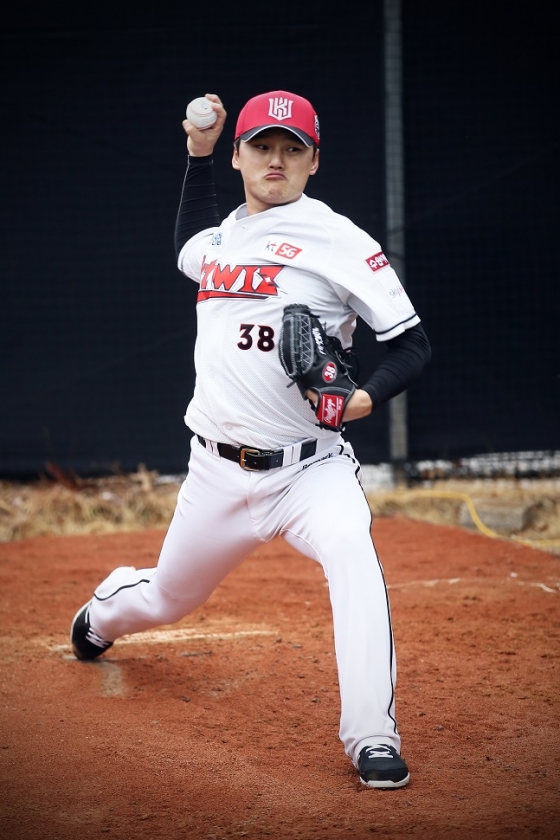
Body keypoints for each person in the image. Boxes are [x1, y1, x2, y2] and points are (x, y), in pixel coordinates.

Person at [71, 90, 431, 789]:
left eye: (293, 149)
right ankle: (104, 612)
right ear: (239, 155)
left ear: (313, 162)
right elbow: (189, 244)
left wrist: (361, 398)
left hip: (310, 471)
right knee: (168, 598)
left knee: (354, 557)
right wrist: (196, 155)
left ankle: (372, 736)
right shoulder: (222, 238)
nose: (276, 159)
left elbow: (412, 346)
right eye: (262, 146)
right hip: (216, 472)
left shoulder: (341, 240)